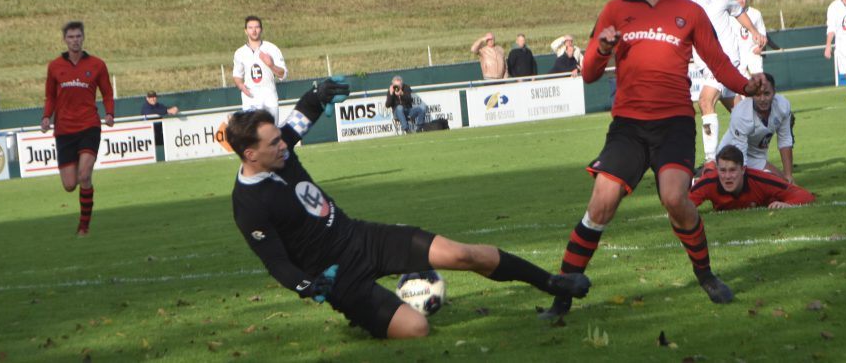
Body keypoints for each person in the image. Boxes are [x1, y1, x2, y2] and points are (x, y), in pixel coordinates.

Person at [229, 80, 591, 339]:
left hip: (361, 236)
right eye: (274, 142)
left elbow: (296, 124)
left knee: (463, 254)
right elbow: (277, 263)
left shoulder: (277, 150)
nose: (284, 144)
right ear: (251, 155)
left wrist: (316, 96)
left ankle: (551, 283)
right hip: (339, 276)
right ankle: (365, 317)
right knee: (417, 330)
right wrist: (311, 285)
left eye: (279, 139)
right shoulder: (248, 205)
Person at [541, 0, 767, 320]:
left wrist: (747, 87)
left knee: (675, 198)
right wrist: (603, 48)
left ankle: (706, 276)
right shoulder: (615, 9)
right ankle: (562, 296)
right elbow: (591, 71)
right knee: (601, 204)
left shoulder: (688, 12)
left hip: (674, 123)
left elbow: (717, 63)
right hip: (628, 126)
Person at [678, 0, 767, 164]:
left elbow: (738, 12)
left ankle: (710, 162)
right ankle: (758, 152)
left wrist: (754, 31)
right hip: (704, 63)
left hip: (724, 60)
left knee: (705, 100)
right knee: (739, 113)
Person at [41, 21, 114, 236]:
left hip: (89, 125)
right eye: (71, 37)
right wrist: (46, 117)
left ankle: (84, 226)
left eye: (78, 36)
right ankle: (84, 220)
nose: (75, 40)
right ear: (65, 40)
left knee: (84, 175)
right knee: (70, 184)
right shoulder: (54, 66)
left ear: (83, 38)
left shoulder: (97, 64)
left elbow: (107, 93)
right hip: (64, 130)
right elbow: (50, 96)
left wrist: (109, 113)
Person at [717, 73, 794, 183]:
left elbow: (785, 140)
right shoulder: (741, 114)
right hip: (731, 155)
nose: (762, 99)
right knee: (767, 185)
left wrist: (788, 176)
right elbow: (740, 155)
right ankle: (701, 180)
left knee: (785, 185)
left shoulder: (783, 106)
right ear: (752, 95)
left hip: (757, 158)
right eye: (758, 95)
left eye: (767, 93)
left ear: (774, 92)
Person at [689, 145, 815, 211]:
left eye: (732, 170)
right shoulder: (709, 182)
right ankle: (706, 168)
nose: (727, 176)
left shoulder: (761, 180)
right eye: (722, 170)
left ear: (743, 170)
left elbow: (805, 195)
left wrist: (788, 205)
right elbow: (683, 205)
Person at [233, 16, 288, 124]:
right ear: (246, 31)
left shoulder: (272, 49)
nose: (254, 30)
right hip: (250, 98)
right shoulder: (240, 53)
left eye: (257, 27)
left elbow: (283, 74)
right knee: (252, 134)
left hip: (269, 97)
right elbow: (237, 75)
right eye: (250, 28)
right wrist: (241, 86)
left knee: (270, 133)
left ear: (261, 29)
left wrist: (271, 65)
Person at [733, 0, 777, 77]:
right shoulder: (731, 15)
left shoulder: (756, 13)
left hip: (753, 51)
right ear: (735, 0)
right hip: (738, 55)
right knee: (741, 83)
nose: (741, 1)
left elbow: (763, 33)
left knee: (759, 80)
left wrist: (760, 48)